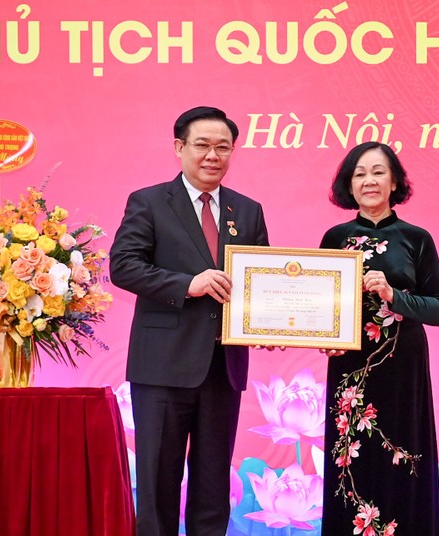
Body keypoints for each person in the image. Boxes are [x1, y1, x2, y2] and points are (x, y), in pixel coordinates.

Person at [109, 106, 270, 536]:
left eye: (223, 147)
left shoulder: (248, 210)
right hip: (162, 366)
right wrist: (188, 284)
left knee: (214, 483)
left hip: (224, 368)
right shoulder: (149, 201)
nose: (212, 155)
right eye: (202, 145)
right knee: (159, 481)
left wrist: (269, 323)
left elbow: (260, 281)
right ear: (180, 147)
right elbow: (123, 266)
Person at [319, 141, 439, 534]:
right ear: (349, 185)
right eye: (359, 173)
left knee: (403, 456)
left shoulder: (417, 238)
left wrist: (394, 295)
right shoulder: (334, 237)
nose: (368, 180)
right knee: (351, 462)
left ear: (394, 182)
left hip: (401, 366)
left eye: (377, 172)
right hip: (350, 367)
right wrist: (321, 334)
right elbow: (320, 305)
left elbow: (438, 309)